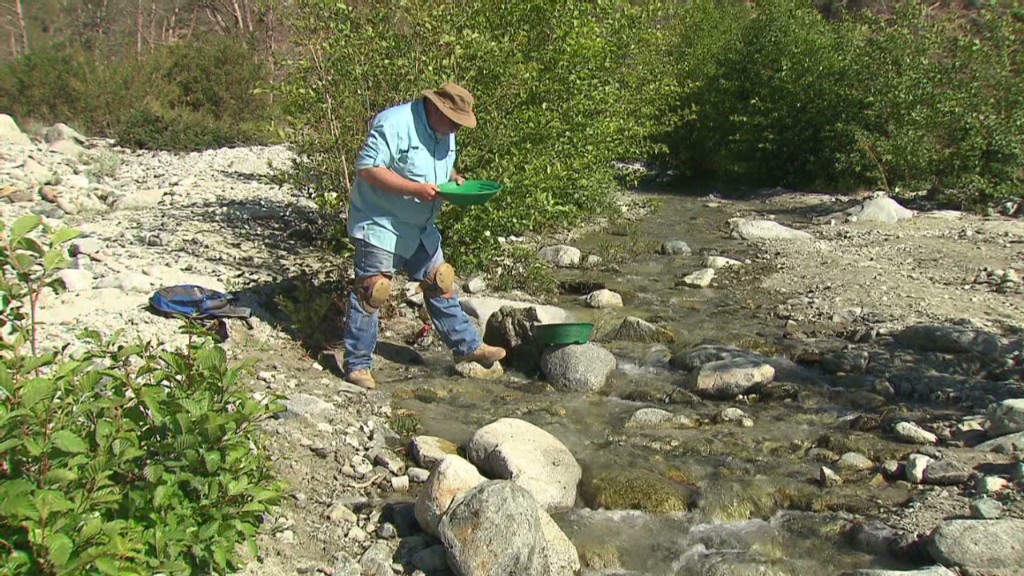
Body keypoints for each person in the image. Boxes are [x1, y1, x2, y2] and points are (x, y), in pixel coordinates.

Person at [341, 82, 506, 389]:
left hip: (420, 225)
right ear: (436, 107)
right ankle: (357, 365)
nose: (456, 127)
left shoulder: (447, 132)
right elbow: (367, 168)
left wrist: (454, 180)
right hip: (381, 220)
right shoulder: (394, 123)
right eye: (453, 120)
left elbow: (441, 169)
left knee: (440, 280)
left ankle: (468, 348)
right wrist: (414, 189)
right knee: (372, 291)